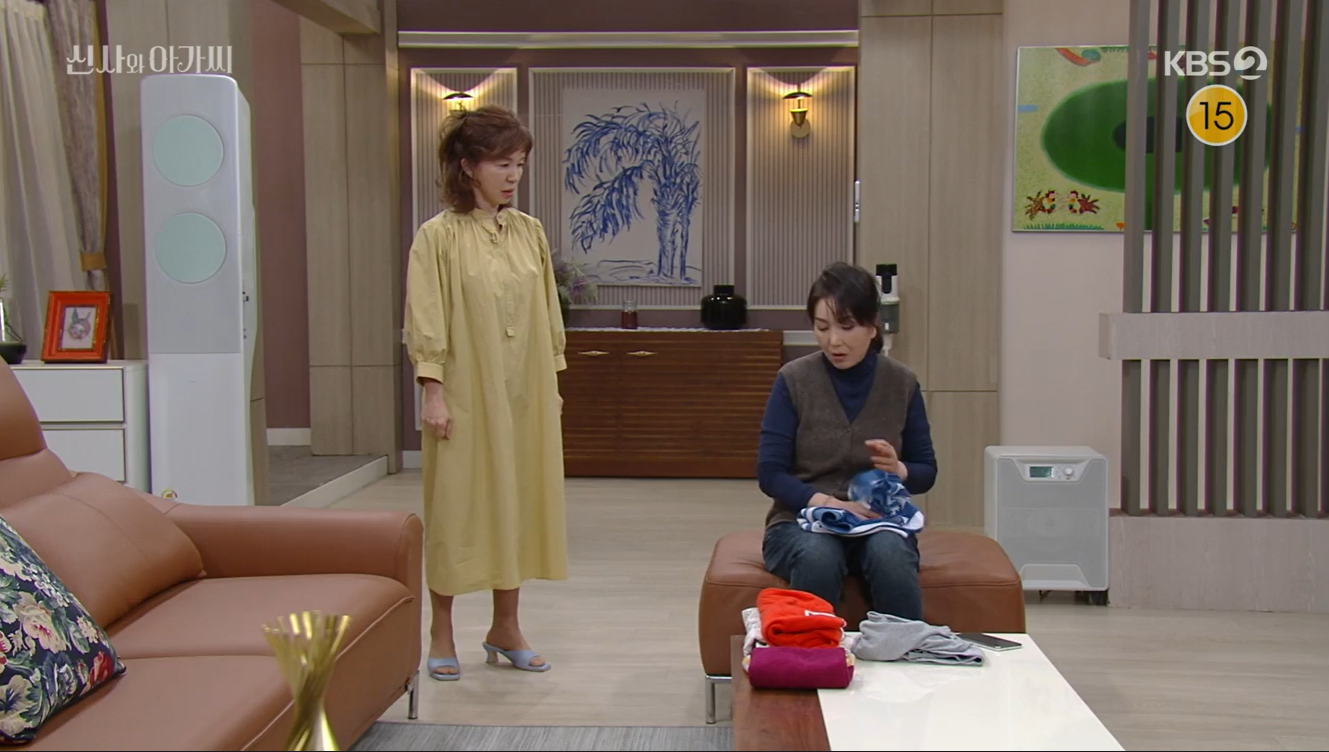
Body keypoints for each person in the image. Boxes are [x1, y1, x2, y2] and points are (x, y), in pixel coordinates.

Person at [403, 105, 568, 681]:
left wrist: (551, 383)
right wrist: (433, 391)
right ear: (468, 166)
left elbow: (547, 312)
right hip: (464, 392)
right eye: (501, 163)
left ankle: (506, 627)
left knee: (515, 503)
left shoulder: (530, 232)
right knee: (456, 508)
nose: (513, 175)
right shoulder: (437, 237)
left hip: (524, 390)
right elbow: (426, 317)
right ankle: (441, 630)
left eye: (519, 163)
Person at [757, 261, 938, 621]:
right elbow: (770, 473)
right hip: (800, 521)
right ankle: (811, 652)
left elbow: (927, 471)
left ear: (872, 326)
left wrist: (899, 469)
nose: (833, 341)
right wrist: (829, 503)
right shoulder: (793, 379)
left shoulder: (901, 382)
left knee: (889, 554)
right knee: (819, 555)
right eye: (822, 327)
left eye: (847, 326)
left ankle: (904, 650)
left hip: (878, 521)